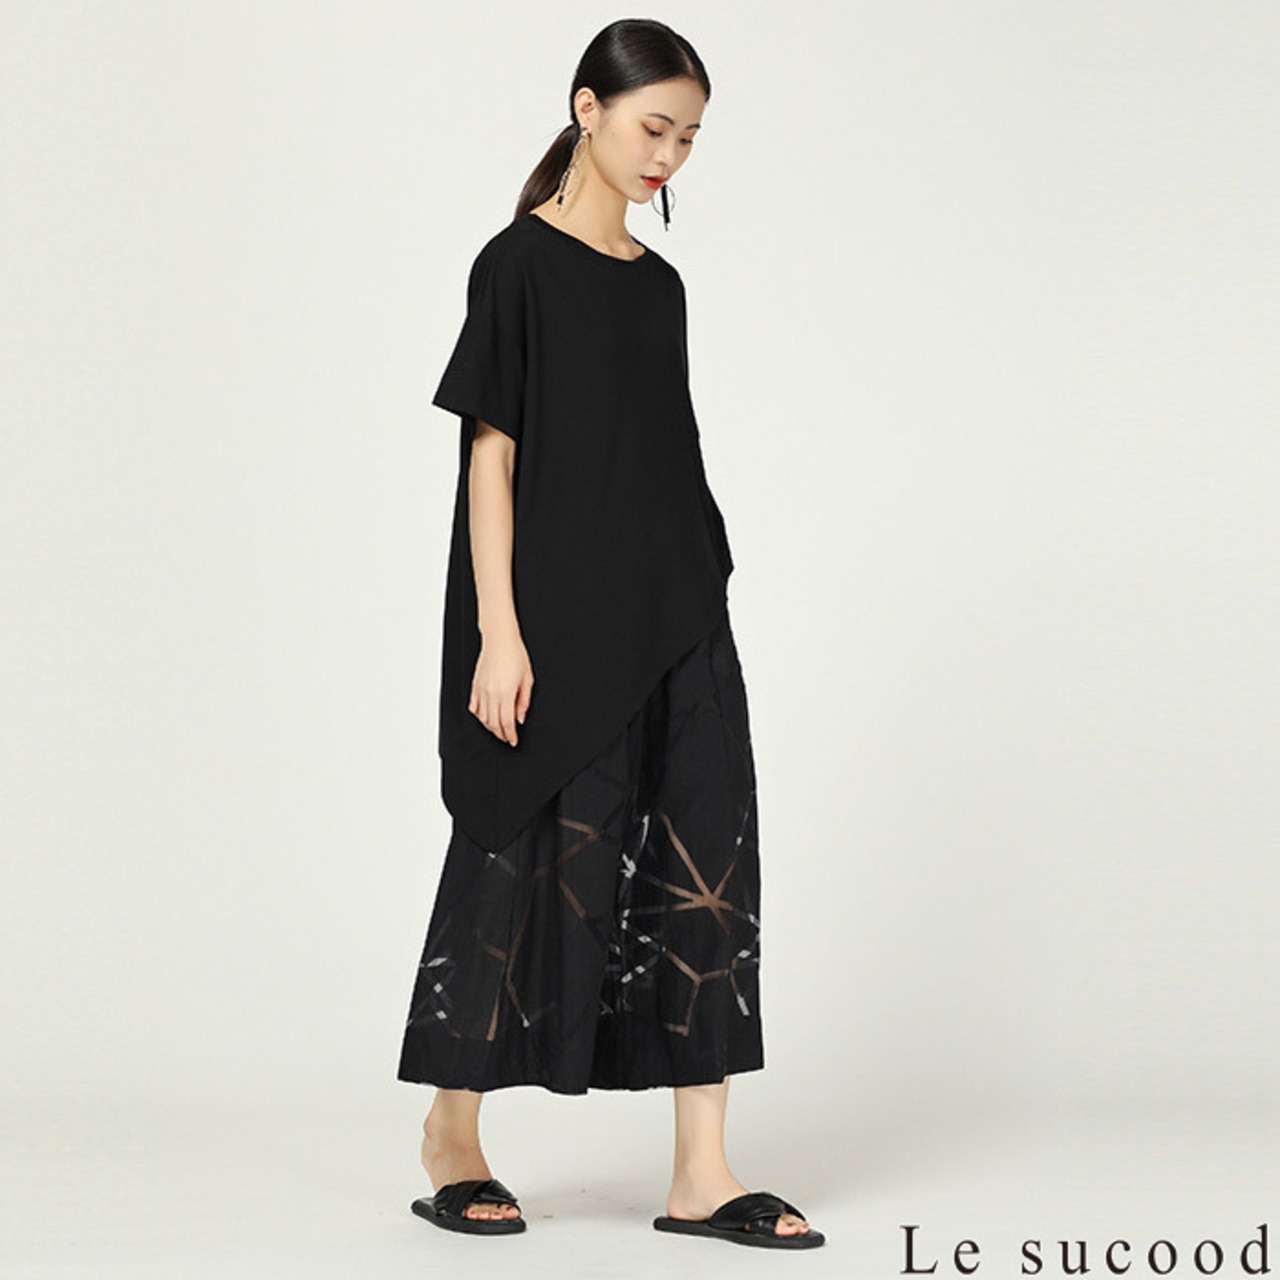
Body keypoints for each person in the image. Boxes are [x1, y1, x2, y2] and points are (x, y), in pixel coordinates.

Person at [395, 18, 824, 1251]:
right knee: (516, 850)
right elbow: (491, 456)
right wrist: (499, 631)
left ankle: (700, 1171)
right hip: (555, 621)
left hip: (678, 608)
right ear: (585, 108)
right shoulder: (515, 266)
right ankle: (452, 1130)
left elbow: (654, 451)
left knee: (705, 857)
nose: (666, 157)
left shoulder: (659, 285)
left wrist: (703, 588)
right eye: (652, 128)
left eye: (687, 139)